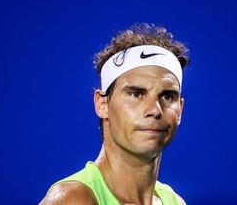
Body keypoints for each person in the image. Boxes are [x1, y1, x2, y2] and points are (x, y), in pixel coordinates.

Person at [40, 23, 190, 205]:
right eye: (136, 94)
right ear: (102, 103)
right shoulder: (73, 200)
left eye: (167, 96)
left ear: (180, 110)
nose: (155, 110)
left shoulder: (175, 202)